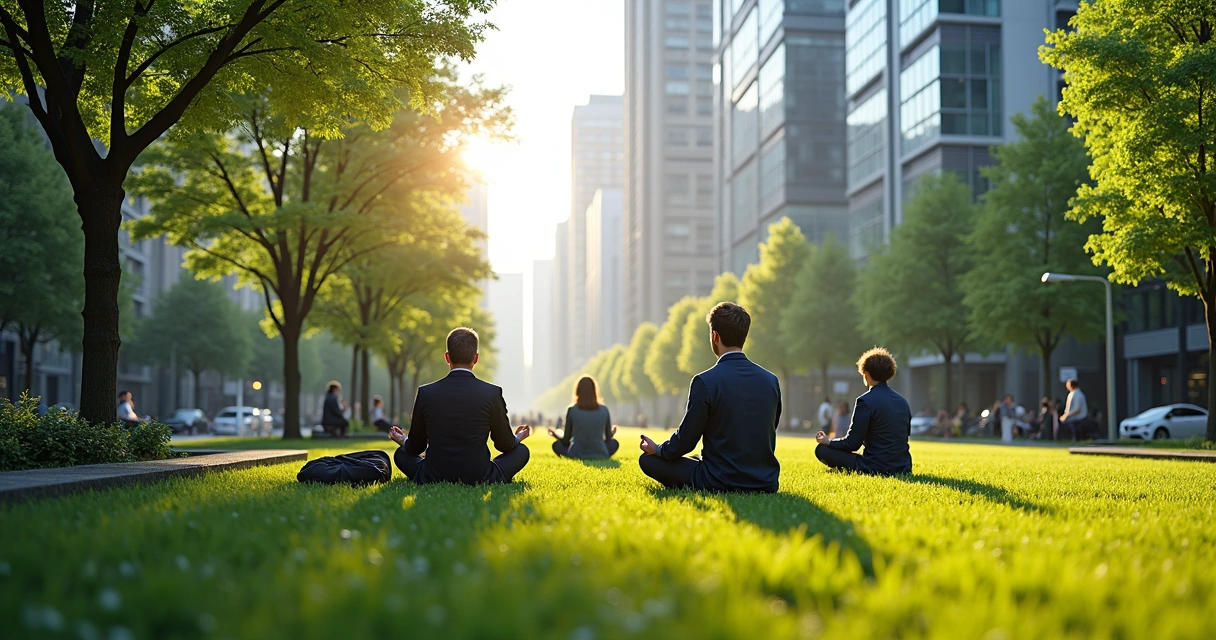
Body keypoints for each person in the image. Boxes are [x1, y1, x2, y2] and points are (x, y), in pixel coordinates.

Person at [638, 302, 781, 493]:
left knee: (648, 460)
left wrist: (658, 449)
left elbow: (685, 441)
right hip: (765, 481)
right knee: (697, 459)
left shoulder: (704, 381)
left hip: (718, 480)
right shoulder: (771, 381)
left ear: (715, 336)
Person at [389, 327, 531, 484]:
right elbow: (504, 444)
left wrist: (402, 439)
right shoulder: (492, 393)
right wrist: (518, 437)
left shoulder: (426, 393)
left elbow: (415, 447)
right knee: (522, 451)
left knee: (400, 454)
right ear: (476, 358)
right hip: (481, 474)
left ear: (447, 357)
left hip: (433, 474)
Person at [814, 347, 912, 475]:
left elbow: (852, 443)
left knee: (821, 450)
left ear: (865, 373)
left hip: (875, 467)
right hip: (903, 466)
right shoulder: (902, 401)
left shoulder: (865, 401)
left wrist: (829, 441)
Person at [549, 376, 619, 459]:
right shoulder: (604, 410)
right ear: (594, 391)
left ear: (577, 391)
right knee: (614, 443)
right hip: (600, 452)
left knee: (556, 445)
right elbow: (608, 437)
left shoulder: (572, 410)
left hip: (575, 452)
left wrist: (555, 435)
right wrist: (612, 432)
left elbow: (566, 439)